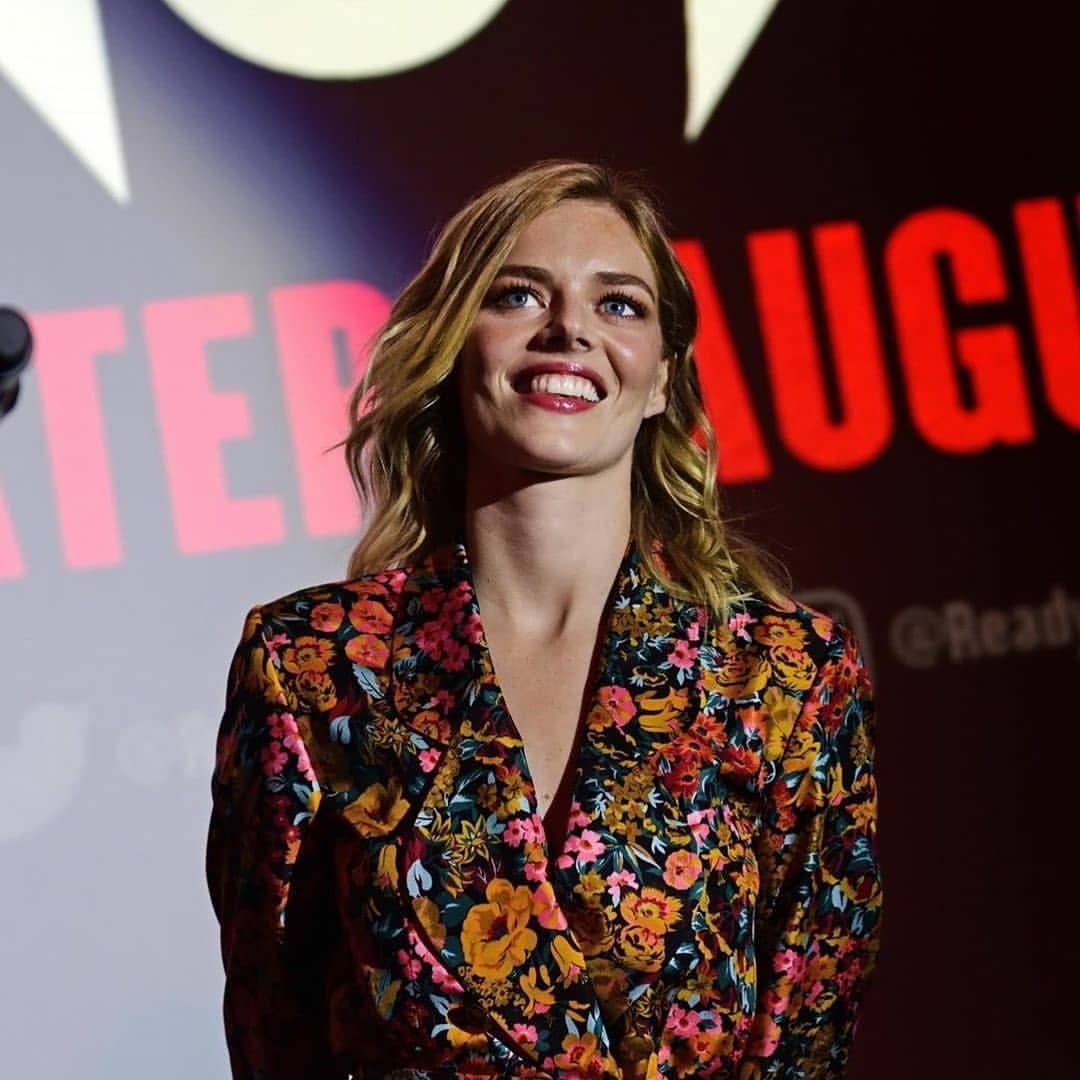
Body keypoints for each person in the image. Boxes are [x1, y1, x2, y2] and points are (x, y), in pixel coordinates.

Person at [206, 160, 882, 1079]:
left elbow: (806, 1036)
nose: (569, 329)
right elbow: (271, 1032)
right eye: (518, 295)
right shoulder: (313, 666)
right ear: (454, 346)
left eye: (620, 305)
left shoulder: (784, 674)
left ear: (661, 380)